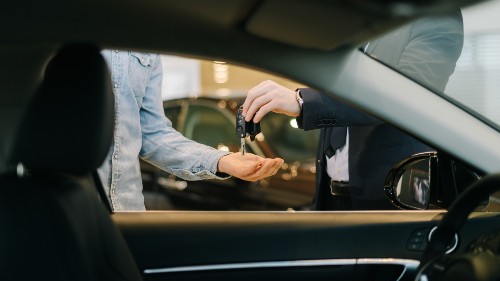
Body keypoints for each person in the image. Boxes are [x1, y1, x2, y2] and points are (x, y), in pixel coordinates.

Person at [242, 11, 464, 210]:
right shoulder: (360, 21)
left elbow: (407, 94)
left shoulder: (437, 15)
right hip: (328, 196)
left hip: (390, 197)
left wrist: (302, 102)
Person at [98, 50, 283, 211]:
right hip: (78, 212)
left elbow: (152, 134)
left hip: (130, 210)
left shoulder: (146, 48)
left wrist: (221, 160)